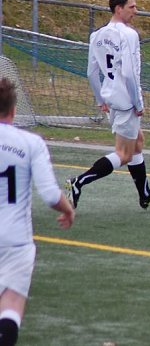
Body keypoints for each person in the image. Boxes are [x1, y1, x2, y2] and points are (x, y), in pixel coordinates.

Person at [66, 0, 150, 210]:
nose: (136, 11)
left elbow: (91, 73)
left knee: (138, 141)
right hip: (126, 100)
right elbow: (130, 74)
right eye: (132, 7)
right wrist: (138, 104)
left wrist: (100, 99)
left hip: (111, 97)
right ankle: (79, 182)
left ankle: (145, 195)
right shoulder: (129, 35)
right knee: (123, 154)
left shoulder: (97, 35)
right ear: (118, 9)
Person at [0, 78, 75, 345]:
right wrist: (68, 209)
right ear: (13, 110)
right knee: (10, 307)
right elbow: (51, 195)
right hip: (15, 240)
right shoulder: (30, 143)